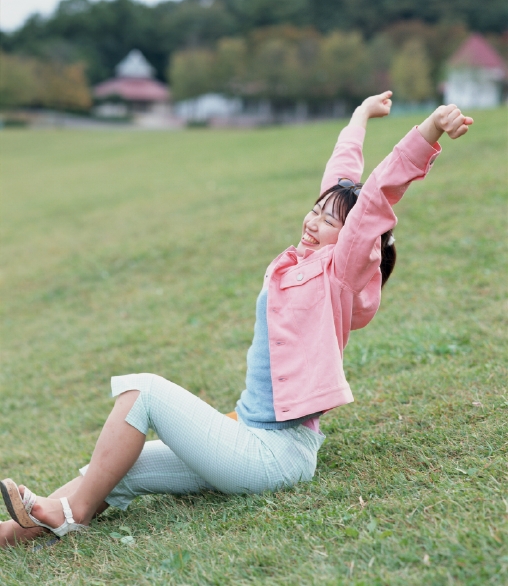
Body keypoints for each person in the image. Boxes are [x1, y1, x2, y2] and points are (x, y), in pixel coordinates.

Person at [0, 92, 473, 548]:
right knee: (120, 467)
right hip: (249, 436)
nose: (312, 221)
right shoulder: (305, 259)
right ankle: (15, 534)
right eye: (314, 210)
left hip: (274, 455)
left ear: (353, 240)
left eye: (328, 221)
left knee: (142, 391)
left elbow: (374, 198)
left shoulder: (340, 273)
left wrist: (428, 130)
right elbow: (343, 176)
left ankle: (72, 514)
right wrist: (359, 117)